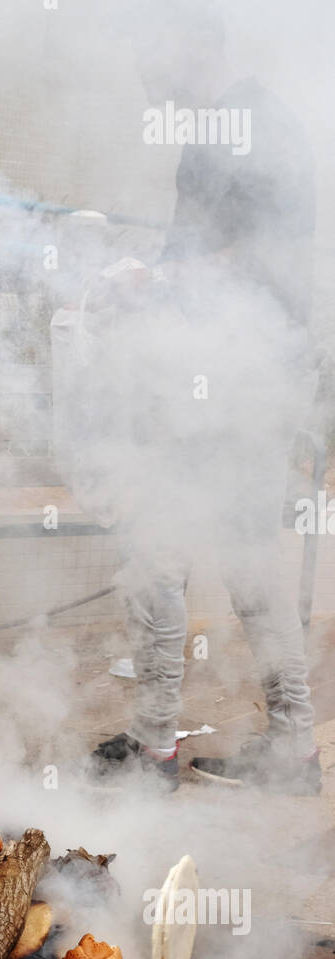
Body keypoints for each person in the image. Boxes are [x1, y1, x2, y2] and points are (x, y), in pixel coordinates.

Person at [87, 3, 320, 795]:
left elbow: (252, 257)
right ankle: (293, 750)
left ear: (193, 43)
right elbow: (210, 257)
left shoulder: (243, 124)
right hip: (248, 375)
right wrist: (150, 280)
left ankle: (155, 750)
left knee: (158, 543)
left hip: (234, 380)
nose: (146, 73)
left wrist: (155, 282)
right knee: (250, 561)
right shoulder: (233, 126)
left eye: (154, 53)